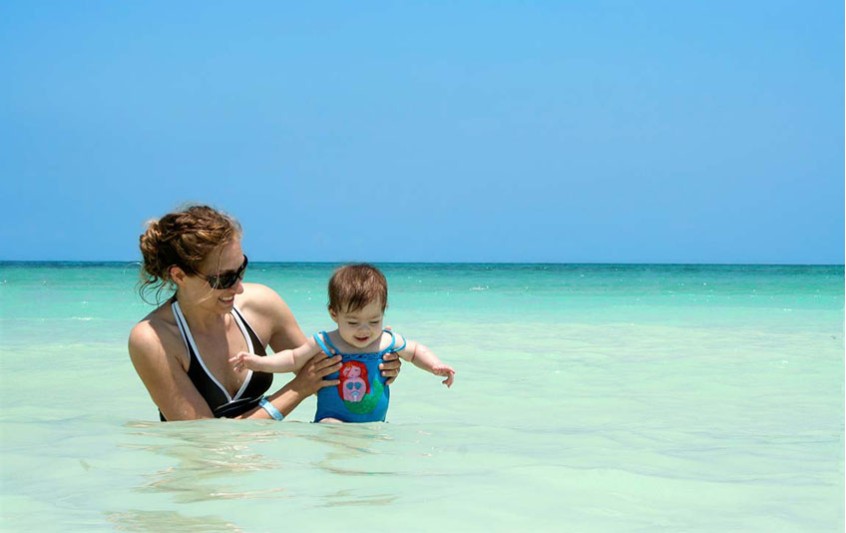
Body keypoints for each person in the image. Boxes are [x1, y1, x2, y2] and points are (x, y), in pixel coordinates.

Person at [128, 205, 402, 421]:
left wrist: (376, 360)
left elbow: (328, 370)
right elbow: (203, 440)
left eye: (241, 269)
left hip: (263, 467)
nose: (238, 287)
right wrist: (297, 390)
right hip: (202, 480)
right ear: (179, 275)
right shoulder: (155, 339)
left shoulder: (262, 304)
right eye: (223, 279)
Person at [230, 263, 455, 423]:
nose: (364, 329)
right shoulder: (327, 342)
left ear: (383, 312)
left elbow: (415, 351)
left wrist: (435, 365)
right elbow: (292, 358)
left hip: (375, 424)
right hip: (332, 420)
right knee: (332, 429)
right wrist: (259, 362)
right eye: (353, 321)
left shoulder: (387, 340)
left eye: (374, 320)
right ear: (334, 313)